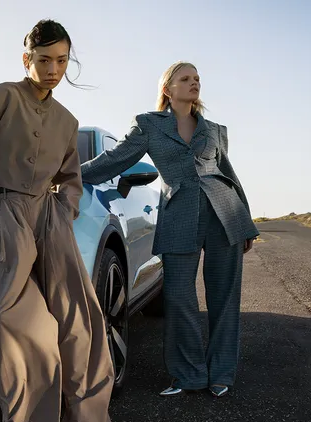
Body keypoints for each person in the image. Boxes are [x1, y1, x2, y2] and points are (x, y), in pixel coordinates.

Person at [0, 19, 116, 422]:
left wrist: (65, 209)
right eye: (45, 59)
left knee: (80, 319)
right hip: (8, 212)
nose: (54, 69)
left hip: (51, 217)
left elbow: (72, 178)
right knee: (15, 324)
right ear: (26, 57)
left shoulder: (68, 121)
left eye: (62, 60)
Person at [79, 61, 259, 398]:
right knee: (178, 298)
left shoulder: (215, 130)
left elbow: (229, 176)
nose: (194, 83)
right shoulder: (148, 125)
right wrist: (69, 174)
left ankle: (221, 373)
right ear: (168, 88)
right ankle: (188, 375)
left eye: (197, 79)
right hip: (178, 214)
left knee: (224, 297)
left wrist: (245, 221)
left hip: (225, 213)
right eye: (185, 78)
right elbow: (114, 160)